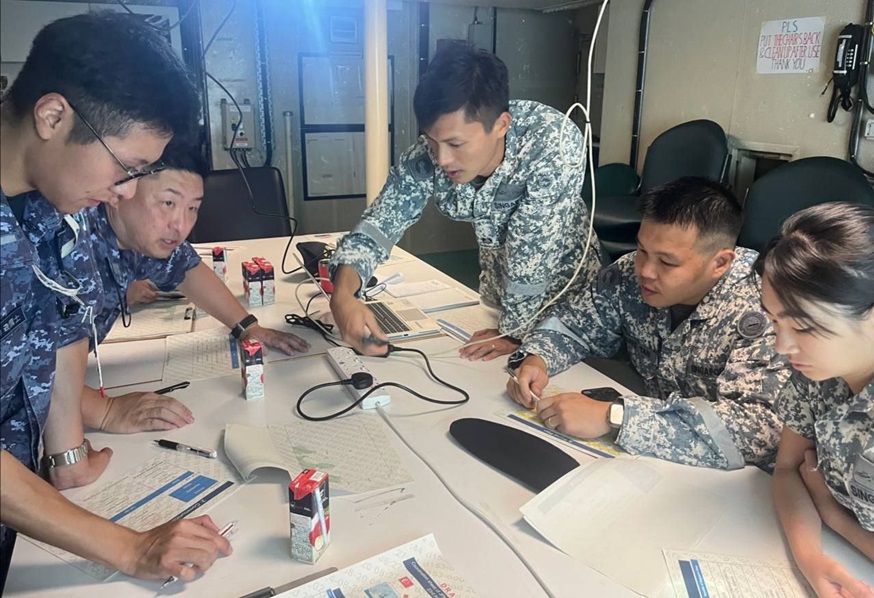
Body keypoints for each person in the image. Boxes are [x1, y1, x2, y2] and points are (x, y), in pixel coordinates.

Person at [0, 13, 229, 589]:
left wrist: (69, 454)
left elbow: (60, 330)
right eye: (126, 168)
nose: (125, 192)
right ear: (53, 117)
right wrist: (131, 550)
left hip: (27, 513)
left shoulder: (56, 204)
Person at [329, 41, 602, 360]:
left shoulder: (552, 142)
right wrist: (344, 293)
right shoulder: (430, 154)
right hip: (503, 299)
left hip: (570, 306)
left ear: (501, 125)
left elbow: (534, 252)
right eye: (432, 140)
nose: (442, 158)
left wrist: (515, 332)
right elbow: (380, 223)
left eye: (455, 143)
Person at [507, 177, 789, 470]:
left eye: (667, 262)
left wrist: (615, 418)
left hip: (737, 485)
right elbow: (573, 325)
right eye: (642, 250)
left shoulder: (767, 306)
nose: (645, 271)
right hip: (652, 463)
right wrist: (537, 359)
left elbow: (757, 432)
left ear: (720, 263)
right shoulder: (629, 273)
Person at [55, 139, 310, 436]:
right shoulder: (67, 242)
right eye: (168, 203)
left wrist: (246, 327)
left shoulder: (136, 234)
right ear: (120, 188)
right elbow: (25, 368)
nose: (180, 225)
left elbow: (187, 271)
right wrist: (104, 411)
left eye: (193, 208)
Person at [756, 202, 874, 598]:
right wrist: (810, 558)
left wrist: (832, 515)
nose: (781, 346)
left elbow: (811, 487)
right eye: (775, 322)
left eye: (803, 326)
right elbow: (788, 469)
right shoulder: (818, 375)